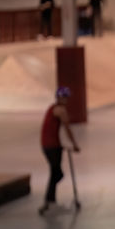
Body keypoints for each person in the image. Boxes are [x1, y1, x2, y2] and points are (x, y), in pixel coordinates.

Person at [39, 86, 80, 215]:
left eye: (66, 97)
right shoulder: (60, 110)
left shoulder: (52, 108)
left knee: (56, 173)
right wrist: (75, 145)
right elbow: (67, 129)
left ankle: (49, 202)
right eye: (64, 97)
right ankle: (49, 202)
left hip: (49, 145)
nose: (65, 99)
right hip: (51, 146)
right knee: (56, 174)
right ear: (58, 97)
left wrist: (61, 145)